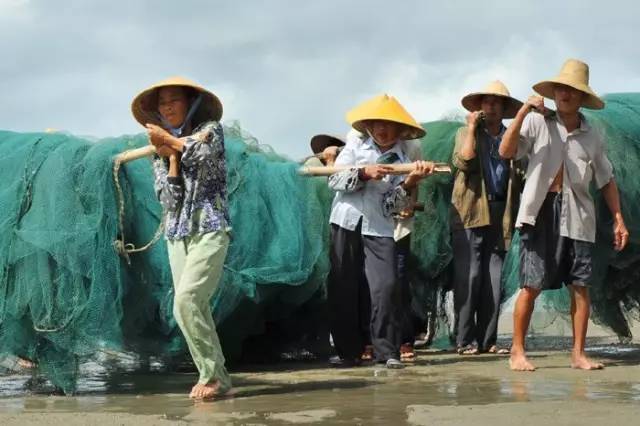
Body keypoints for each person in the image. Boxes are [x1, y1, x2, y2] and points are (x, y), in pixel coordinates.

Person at [499, 59, 629, 371]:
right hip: (539, 211)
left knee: (580, 286)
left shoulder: (592, 135)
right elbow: (505, 151)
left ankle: (578, 354)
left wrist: (619, 218)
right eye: (560, 88)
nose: (564, 94)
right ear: (554, 93)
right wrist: (521, 113)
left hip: (579, 216)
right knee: (531, 284)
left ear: (582, 97)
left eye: (571, 90)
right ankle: (517, 352)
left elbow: (606, 179)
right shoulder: (536, 122)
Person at [131, 76, 233, 398]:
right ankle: (219, 378)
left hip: (210, 226)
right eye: (162, 103)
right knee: (195, 307)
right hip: (177, 233)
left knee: (185, 302)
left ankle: (211, 376)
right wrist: (170, 157)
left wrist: (172, 143)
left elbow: (202, 154)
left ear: (190, 103)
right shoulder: (159, 150)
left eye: (174, 100)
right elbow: (169, 199)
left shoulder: (211, 130)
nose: (168, 107)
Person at [327, 94, 435, 369]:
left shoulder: (404, 157)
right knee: (344, 286)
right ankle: (347, 351)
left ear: (400, 129)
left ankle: (387, 351)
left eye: (388, 124)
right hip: (346, 220)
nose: (382, 129)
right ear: (369, 126)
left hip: (380, 226)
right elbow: (335, 180)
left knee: (386, 286)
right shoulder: (354, 146)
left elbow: (393, 205)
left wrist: (410, 180)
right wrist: (364, 174)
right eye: (376, 124)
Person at [451, 81, 524, 355]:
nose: (491, 106)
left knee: (494, 278)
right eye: (486, 101)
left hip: (501, 212)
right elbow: (465, 161)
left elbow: (521, 174)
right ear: (480, 107)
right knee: (469, 276)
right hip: (470, 210)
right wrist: (471, 128)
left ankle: (488, 340)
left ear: (504, 108)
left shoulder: (512, 136)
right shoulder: (465, 132)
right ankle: (464, 340)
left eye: (497, 102)